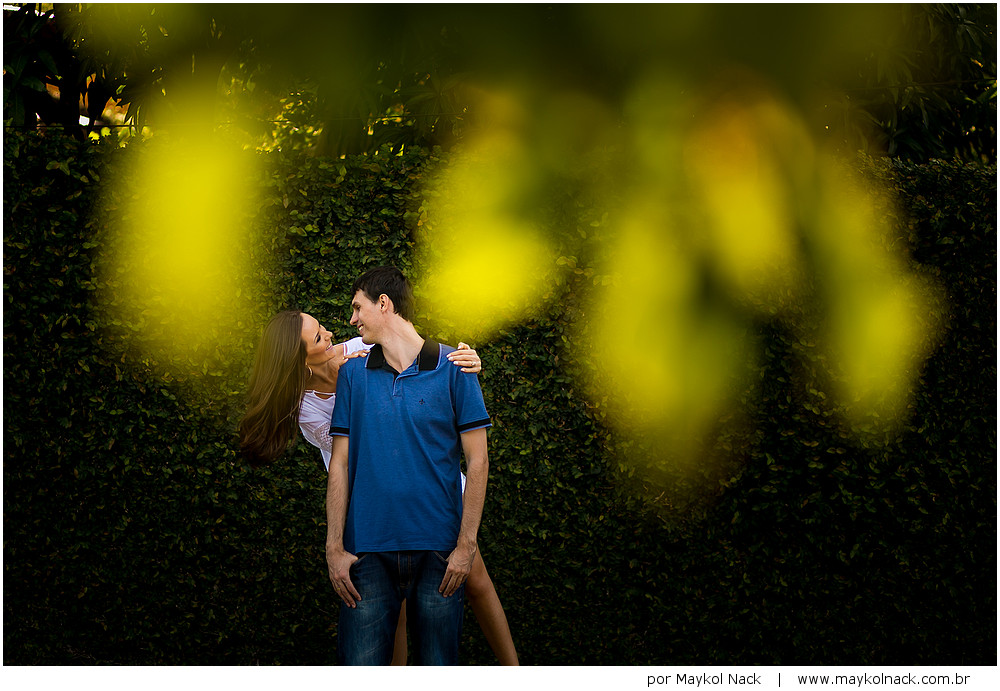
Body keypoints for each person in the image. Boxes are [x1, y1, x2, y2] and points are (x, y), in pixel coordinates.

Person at [239, 306, 517, 665]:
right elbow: (353, 452)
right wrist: (355, 379)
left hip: (422, 481)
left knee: (475, 578)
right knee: (393, 604)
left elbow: (421, 362)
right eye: (319, 337)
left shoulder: (362, 348)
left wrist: (465, 359)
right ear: (300, 359)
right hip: (368, 494)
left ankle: (514, 670)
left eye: (323, 327)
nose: (331, 337)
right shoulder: (306, 406)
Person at [326, 265, 492, 665]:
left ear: (384, 304)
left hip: (439, 552)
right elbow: (341, 464)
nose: (352, 320)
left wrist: (466, 546)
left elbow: (479, 459)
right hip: (366, 553)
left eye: (357, 307)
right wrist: (333, 546)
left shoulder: (456, 367)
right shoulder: (353, 375)